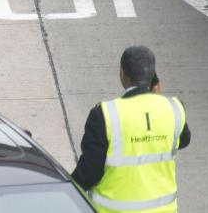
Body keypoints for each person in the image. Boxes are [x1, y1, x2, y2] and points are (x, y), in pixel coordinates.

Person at [72, 46, 192, 212]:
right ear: (154, 74)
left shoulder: (104, 115)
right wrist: (156, 99)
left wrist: (65, 190)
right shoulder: (174, 108)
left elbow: (89, 172)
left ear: (122, 74)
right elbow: (183, 140)